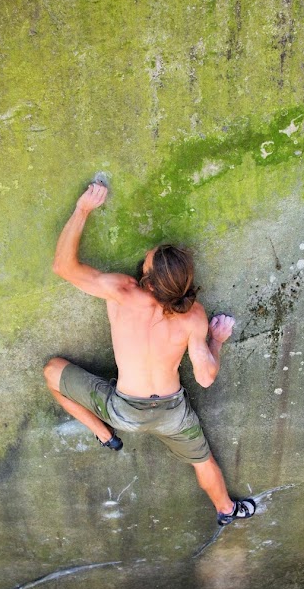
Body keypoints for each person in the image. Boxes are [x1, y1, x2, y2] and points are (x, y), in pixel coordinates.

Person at [44, 180, 256, 526]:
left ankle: (103, 434)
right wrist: (216, 339)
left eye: (148, 260)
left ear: (151, 280)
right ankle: (227, 510)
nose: (147, 255)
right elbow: (204, 379)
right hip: (173, 412)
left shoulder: (122, 291)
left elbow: (63, 267)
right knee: (204, 461)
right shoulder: (194, 315)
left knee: (52, 372)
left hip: (126, 411)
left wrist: (83, 209)